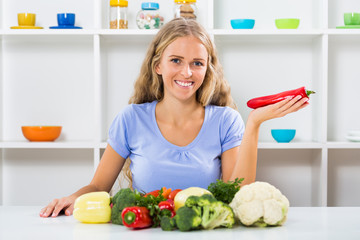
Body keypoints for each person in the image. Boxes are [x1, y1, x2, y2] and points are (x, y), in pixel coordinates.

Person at [39, 18, 309, 218]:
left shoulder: (226, 121)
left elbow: (237, 195)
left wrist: (254, 124)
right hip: (143, 231)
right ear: (158, 65)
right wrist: (73, 198)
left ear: (207, 69)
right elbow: (99, 185)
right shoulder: (131, 119)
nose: (187, 72)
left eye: (197, 63)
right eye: (176, 60)